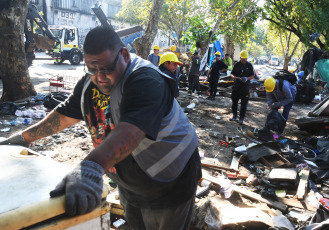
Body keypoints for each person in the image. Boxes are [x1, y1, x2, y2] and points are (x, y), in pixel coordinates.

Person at [0, 26, 201, 230]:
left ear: (123, 54)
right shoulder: (90, 82)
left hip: (170, 181)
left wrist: (90, 166)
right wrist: (22, 139)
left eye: (105, 68)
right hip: (131, 184)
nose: (99, 77)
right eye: (92, 69)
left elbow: (132, 131)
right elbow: (64, 114)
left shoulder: (145, 79)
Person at [230, 50, 255, 125]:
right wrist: (235, 77)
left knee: (244, 104)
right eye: (243, 58)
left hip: (245, 88)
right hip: (236, 87)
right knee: (234, 102)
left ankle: (241, 118)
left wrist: (247, 78)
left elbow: (252, 75)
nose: (245, 60)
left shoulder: (249, 65)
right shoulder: (237, 65)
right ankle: (234, 116)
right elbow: (232, 74)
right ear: (240, 57)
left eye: (246, 58)